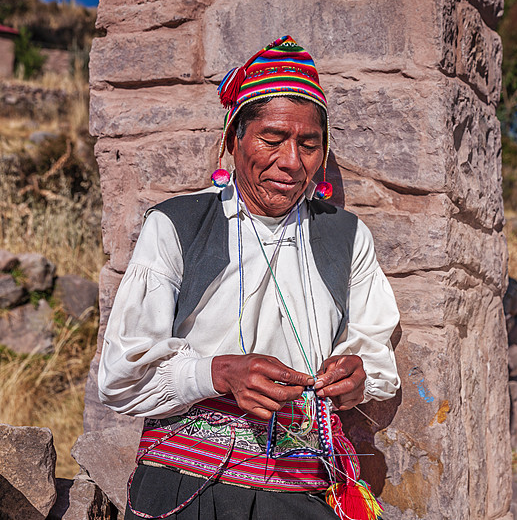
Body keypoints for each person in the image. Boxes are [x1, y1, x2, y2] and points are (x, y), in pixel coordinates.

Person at [98, 35, 400, 520]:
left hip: (299, 492)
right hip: (184, 488)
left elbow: (374, 356)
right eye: (272, 139)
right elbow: (119, 379)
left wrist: (356, 380)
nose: (291, 162)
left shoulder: (346, 237)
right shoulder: (176, 224)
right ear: (233, 139)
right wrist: (217, 373)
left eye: (309, 144)